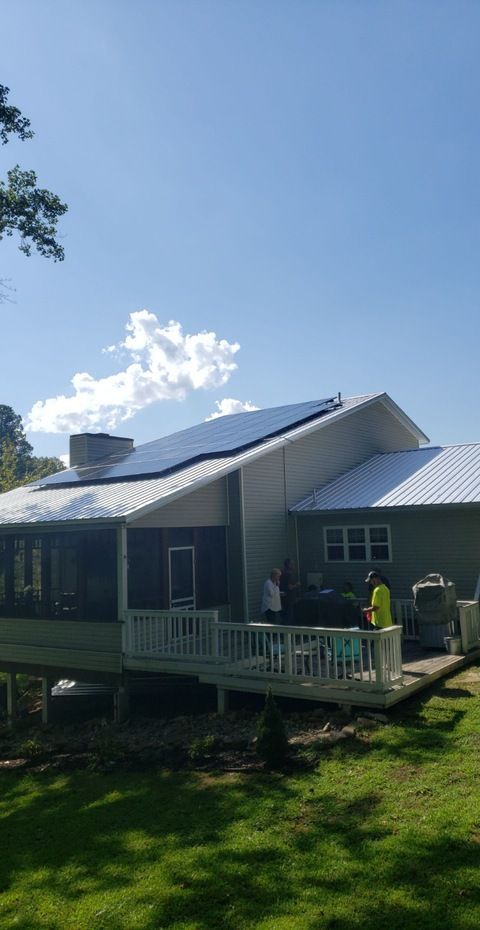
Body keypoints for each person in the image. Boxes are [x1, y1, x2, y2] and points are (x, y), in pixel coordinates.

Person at [279, 558, 301, 623]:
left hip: (285, 599)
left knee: (286, 616)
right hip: (288, 599)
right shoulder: (287, 574)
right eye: (292, 564)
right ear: (288, 565)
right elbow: (289, 587)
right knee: (289, 617)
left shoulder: (283, 573)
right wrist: (296, 585)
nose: (294, 565)